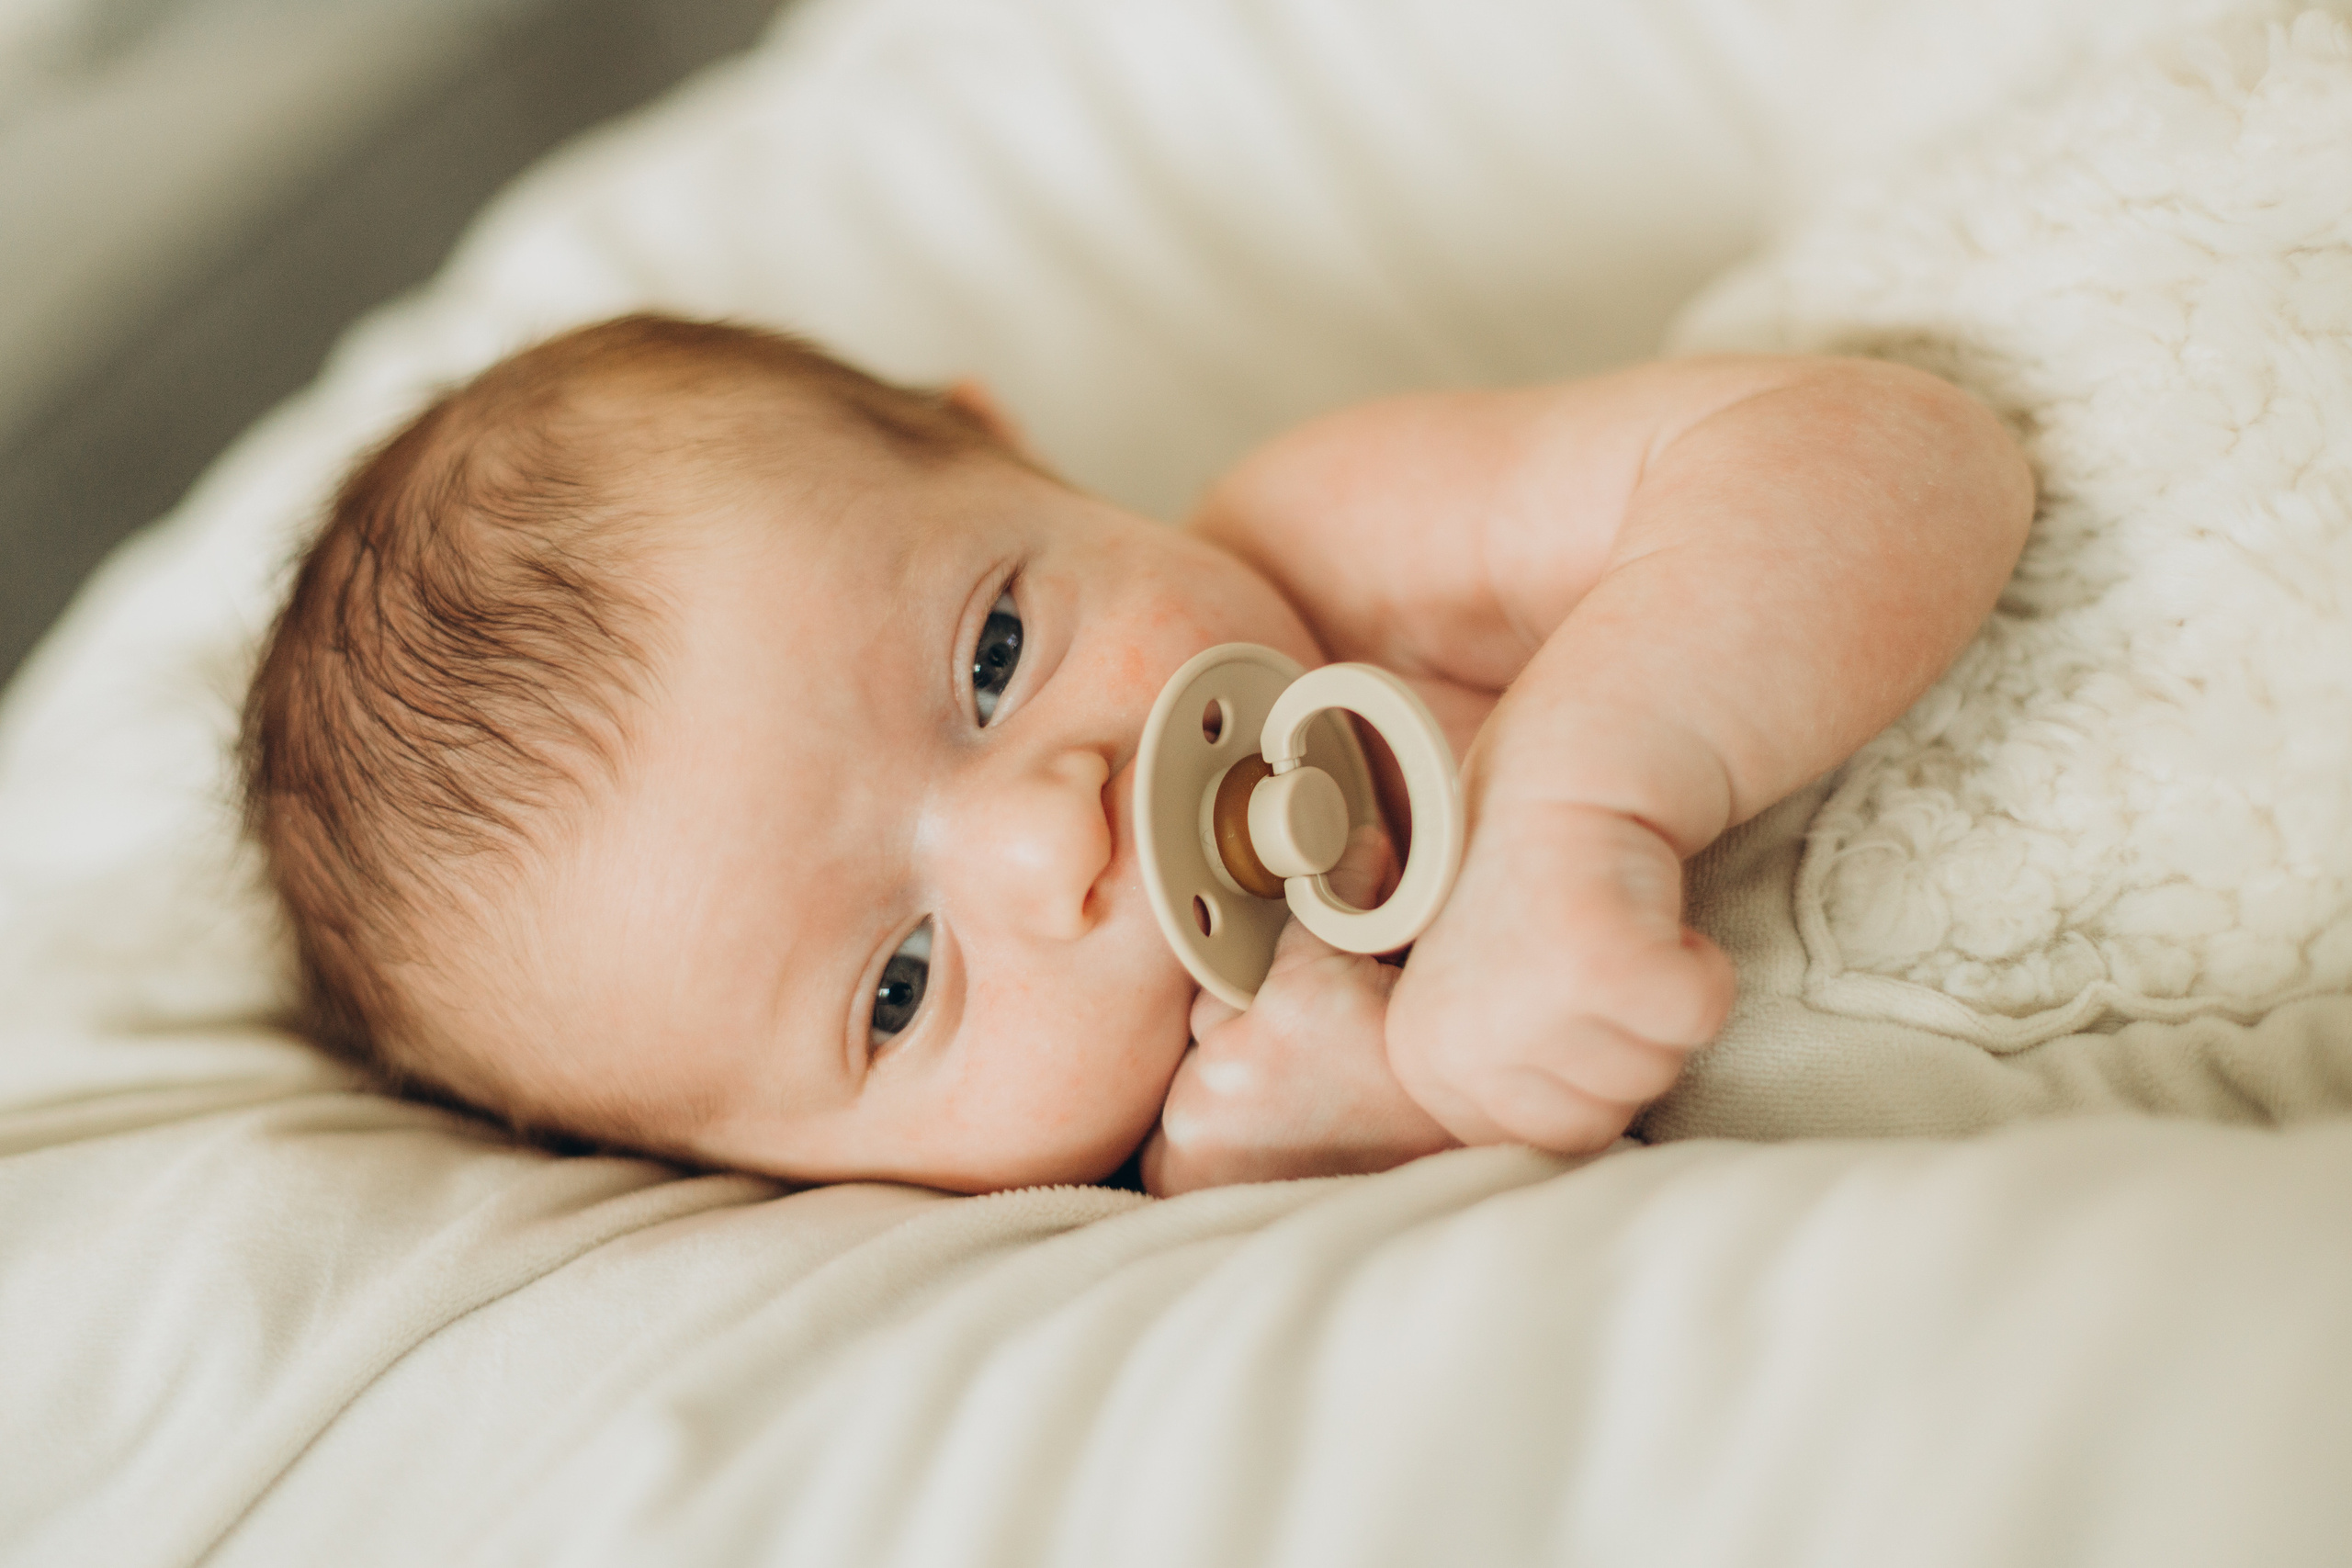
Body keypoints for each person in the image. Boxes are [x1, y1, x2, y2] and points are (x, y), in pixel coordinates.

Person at [242, 313, 2032, 1196]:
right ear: (792, 1185)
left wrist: (1581, 796)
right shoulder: (1188, 1204)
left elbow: (1892, 456)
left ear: (1005, 456)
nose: (1053, 840)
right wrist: (1387, 1155)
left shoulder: (1342, 552)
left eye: (994, 654)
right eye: (897, 988)